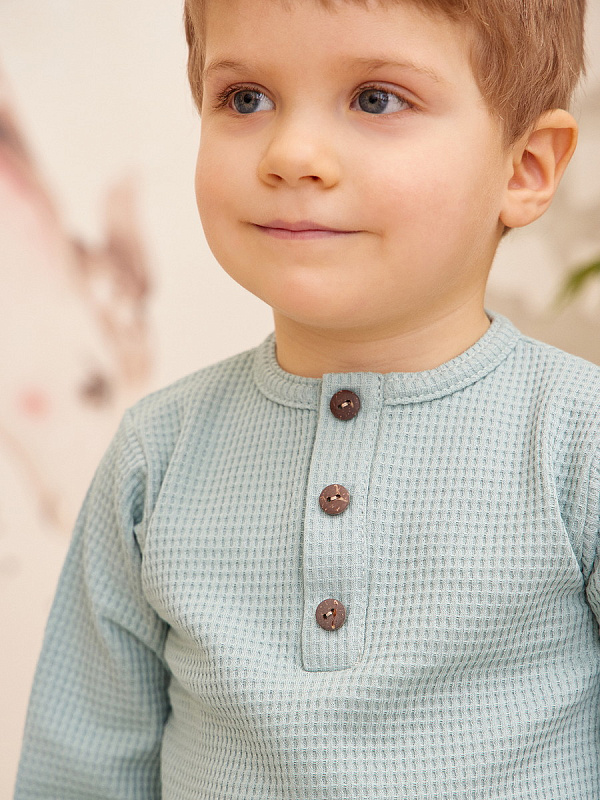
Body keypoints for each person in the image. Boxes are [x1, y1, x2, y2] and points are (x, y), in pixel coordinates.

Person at [15, 0, 599, 797]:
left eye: (376, 99)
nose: (291, 155)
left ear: (525, 167)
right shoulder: (157, 455)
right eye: (245, 98)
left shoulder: (578, 438)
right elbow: (81, 772)